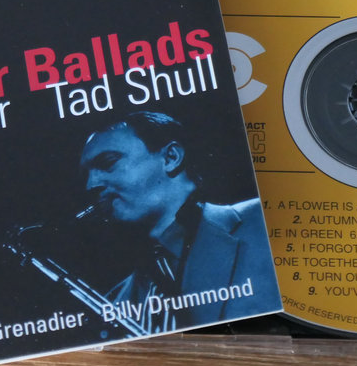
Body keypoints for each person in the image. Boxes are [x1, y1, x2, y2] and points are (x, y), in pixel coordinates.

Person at [78, 111, 278, 333]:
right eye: (87, 174)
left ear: (170, 157)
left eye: (108, 162)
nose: (90, 185)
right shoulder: (113, 302)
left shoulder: (264, 220)